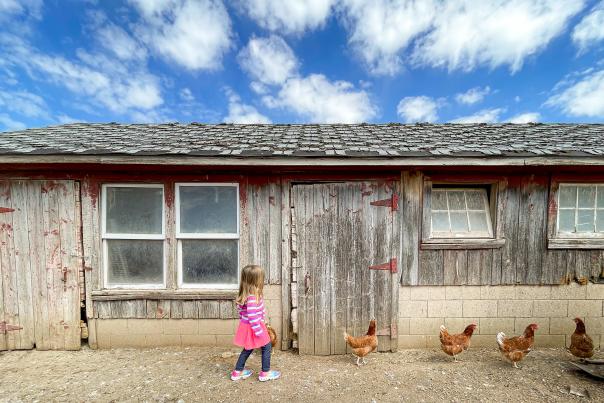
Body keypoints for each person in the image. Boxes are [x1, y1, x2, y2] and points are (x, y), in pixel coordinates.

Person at [231, 264, 281, 382]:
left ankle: (237, 372)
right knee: (267, 346)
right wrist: (259, 331)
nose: (262, 281)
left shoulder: (244, 295)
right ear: (256, 280)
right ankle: (265, 373)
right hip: (255, 327)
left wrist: (262, 320)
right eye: (261, 278)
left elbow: (243, 314)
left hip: (247, 326)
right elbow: (252, 316)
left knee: (248, 348)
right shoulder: (252, 297)